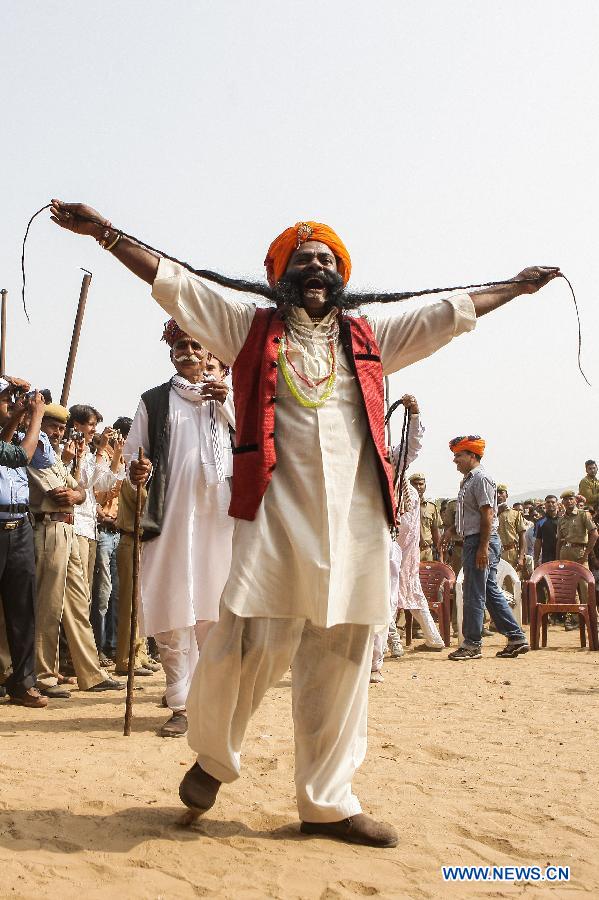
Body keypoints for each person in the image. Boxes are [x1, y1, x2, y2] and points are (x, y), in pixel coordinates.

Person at [51, 198, 558, 848]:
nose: (315, 267)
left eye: (325, 260)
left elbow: (444, 316)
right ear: (278, 274)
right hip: (274, 518)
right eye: (302, 259)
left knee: (342, 655)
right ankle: (211, 756)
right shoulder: (247, 327)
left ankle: (326, 803)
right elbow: (176, 285)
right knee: (249, 641)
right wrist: (105, 234)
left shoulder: (370, 339)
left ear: (340, 274)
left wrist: (512, 288)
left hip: (353, 527)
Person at [125, 320, 235, 737]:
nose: (189, 353)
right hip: (171, 516)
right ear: (171, 352)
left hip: (221, 518)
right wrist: (139, 470)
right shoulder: (154, 401)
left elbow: (259, 444)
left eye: (196, 345)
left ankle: (210, 701)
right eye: (181, 345)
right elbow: (137, 458)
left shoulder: (232, 398)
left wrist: (226, 403)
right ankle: (181, 704)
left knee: (216, 610)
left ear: (211, 353)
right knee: (174, 608)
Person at [28, 403, 125, 698]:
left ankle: (91, 672)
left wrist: (77, 493)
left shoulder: (57, 454)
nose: (56, 432)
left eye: (60, 427)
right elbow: (58, 494)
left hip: (69, 528)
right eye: (51, 426)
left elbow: (80, 491)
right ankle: (44, 675)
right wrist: (76, 494)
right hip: (49, 527)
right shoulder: (36, 451)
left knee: (79, 603)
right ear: (39, 425)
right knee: (49, 605)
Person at [447, 436, 529, 661]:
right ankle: (516, 638)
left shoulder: (481, 478)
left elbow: (487, 514)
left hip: (480, 541)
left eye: (459, 455)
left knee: (474, 592)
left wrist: (483, 547)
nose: (455, 460)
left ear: (472, 456)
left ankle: (472, 644)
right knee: (490, 591)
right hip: (476, 540)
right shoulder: (468, 480)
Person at [0, 378, 51, 707]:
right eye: (5, 400)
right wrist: (35, 415)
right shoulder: (13, 441)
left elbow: (43, 458)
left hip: (19, 526)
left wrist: (18, 415)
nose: (10, 403)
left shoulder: (10, 432)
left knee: (23, 609)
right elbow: (19, 455)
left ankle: (23, 681)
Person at [67, 405, 125, 602]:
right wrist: (101, 450)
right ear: (77, 425)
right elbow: (85, 482)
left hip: (89, 528)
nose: (94, 430)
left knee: (87, 592)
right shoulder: (68, 452)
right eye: (91, 425)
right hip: (76, 528)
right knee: (78, 594)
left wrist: (116, 454)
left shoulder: (89, 455)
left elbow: (105, 484)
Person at [91, 417, 128, 666]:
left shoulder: (122, 460)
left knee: (116, 593)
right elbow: (101, 493)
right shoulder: (100, 459)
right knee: (102, 593)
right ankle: (99, 646)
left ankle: (113, 646)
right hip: (103, 530)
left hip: (117, 531)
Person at [408, 473, 442, 561]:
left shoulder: (431, 507)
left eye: (421, 484)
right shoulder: (403, 505)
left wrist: (440, 555)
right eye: (415, 484)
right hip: (408, 551)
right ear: (409, 486)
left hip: (426, 552)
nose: (418, 487)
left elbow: (435, 532)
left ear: (425, 486)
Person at [496, 485, 527, 573]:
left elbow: (522, 536)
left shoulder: (515, 514)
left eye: (501, 493)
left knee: (512, 583)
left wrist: (521, 557)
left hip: (510, 552)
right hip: (493, 553)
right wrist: (497, 512)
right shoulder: (488, 514)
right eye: (496, 493)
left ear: (507, 495)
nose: (498, 495)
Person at [533, 495, 560, 567]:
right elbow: (538, 541)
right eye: (548, 502)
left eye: (553, 502)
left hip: (563, 555)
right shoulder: (540, 522)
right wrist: (536, 560)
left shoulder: (563, 519)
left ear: (557, 504)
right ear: (545, 504)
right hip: (547, 557)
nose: (550, 504)